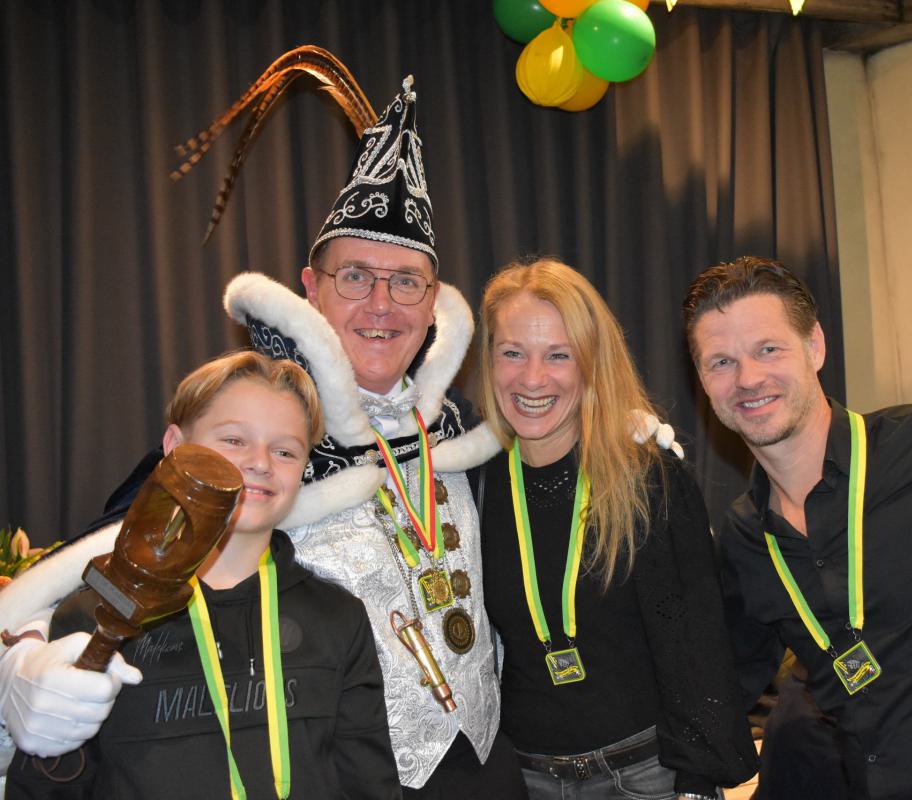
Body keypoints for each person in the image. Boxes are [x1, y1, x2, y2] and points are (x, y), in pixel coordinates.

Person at [0, 80, 523, 798]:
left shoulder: (458, 426)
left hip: (484, 766)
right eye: (355, 276)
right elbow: (97, 567)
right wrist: (22, 665)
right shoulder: (255, 437)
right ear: (311, 287)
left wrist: (613, 427)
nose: (381, 303)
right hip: (339, 773)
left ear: (434, 302)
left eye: (407, 282)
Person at [681, 256, 912, 799]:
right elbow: (723, 685)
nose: (748, 379)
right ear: (702, 380)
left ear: (815, 346)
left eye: (768, 349)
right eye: (721, 362)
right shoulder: (746, 537)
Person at [5, 350, 401, 798]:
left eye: (285, 450)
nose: (260, 462)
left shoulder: (338, 617)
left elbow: (369, 785)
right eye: (233, 439)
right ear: (175, 446)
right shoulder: (97, 614)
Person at [476, 259, 758, 800]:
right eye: (512, 353)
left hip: (648, 776)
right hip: (525, 779)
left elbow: (697, 646)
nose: (532, 378)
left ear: (591, 362)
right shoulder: (474, 487)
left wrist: (696, 784)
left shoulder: (648, 478)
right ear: (488, 360)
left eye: (558, 355)